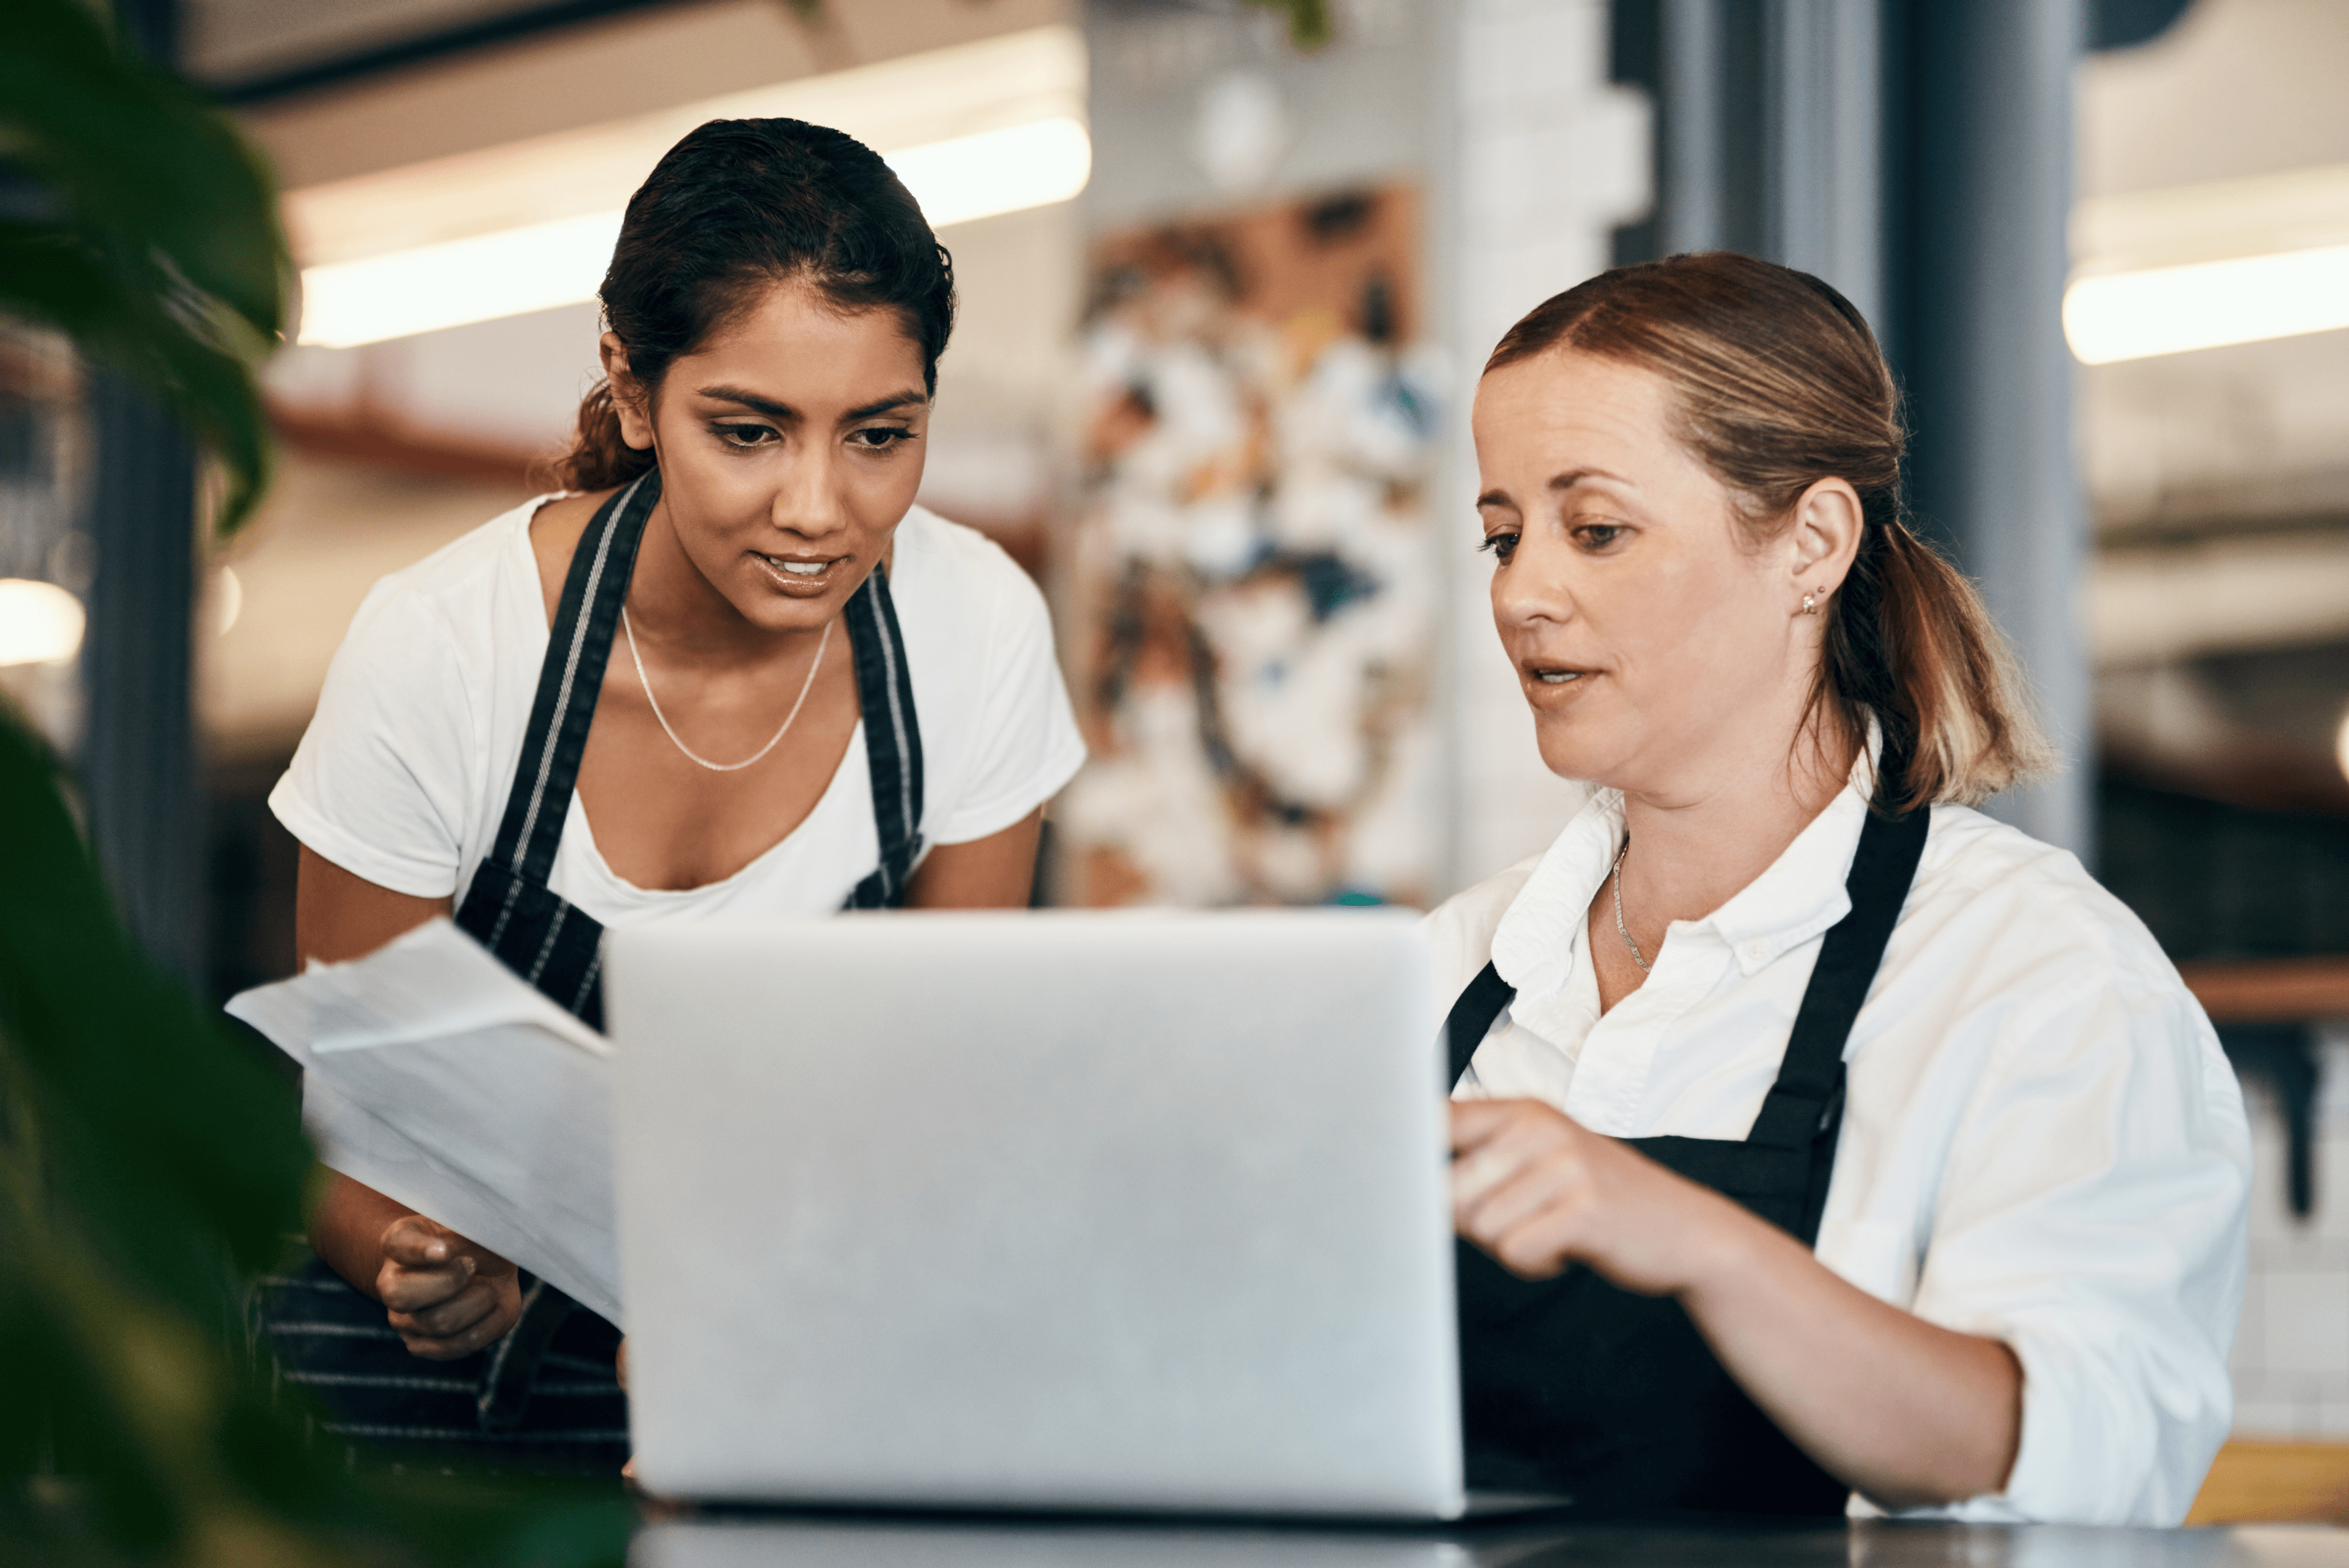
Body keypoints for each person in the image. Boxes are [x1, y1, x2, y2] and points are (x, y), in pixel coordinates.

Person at [261, 118, 1085, 1471]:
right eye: (749, 432)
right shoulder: (447, 652)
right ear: (634, 393)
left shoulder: (974, 630)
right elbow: (352, 1132)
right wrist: (422, 1259)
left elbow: (945, 1093)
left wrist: (757, 1315)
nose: (820, 508)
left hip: (785, 1370)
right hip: (421, 1431)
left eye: (880, 434)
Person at [1431, 252, 2247, 1524]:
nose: (1524, 593)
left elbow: (2070, 1455)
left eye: (1595, 530)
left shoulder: (2038, 977)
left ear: (1812, 542)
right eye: (1503, 536)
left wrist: (1700, 1245)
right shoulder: (1443, 972)